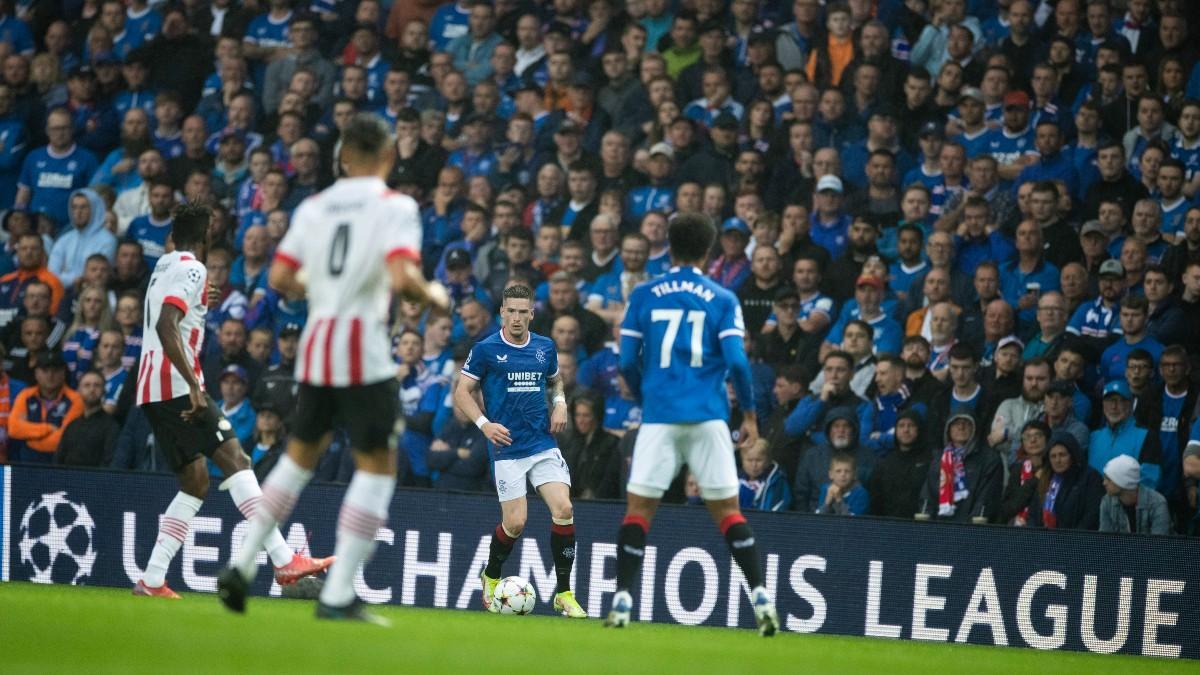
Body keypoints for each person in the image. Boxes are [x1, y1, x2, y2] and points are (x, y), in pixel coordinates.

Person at [219, 114, 446, 623]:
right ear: (388, 156)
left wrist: (324, 289)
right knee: (378, 466)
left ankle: (240, 565)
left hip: (317, 344)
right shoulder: (397, 206)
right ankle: (339, 593)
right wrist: (433, 294)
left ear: (343, 156)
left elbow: (279, 276)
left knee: (297, 461)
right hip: (362, 346)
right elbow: (402, 276)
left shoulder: (315, 206)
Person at [134, 202, 328, 600]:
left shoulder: (165, 265)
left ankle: (152, 580)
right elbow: (166, 324)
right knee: (236, 460)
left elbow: (173, 312)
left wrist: (203, 299)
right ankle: (283, 559)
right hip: (176, 385)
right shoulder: (193, 267)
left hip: (151, 388)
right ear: (207, 235)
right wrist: (192, 384)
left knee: (195, 482)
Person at [608, 212, 778, 635]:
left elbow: (627, 360)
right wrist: (751, 415)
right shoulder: (723, 298)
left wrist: (646, 392)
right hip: (708, 415)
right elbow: (738, 361)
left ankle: (623, 599)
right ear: (708, 250)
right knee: (728, 513)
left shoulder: (644, 295)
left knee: (639, 510)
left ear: (668, 244)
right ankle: (759, 597)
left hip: (661, 415)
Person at [452, 284, 585, 619]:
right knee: (515, 523)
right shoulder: (485, 349)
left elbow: (555, 381)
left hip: (541, 442)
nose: (516, 318)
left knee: (564, 507)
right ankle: (491, 574)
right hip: (507, 446)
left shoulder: (544, 347)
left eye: (522, 312)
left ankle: (564, 594)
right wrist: (485, 424)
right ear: (502, 313)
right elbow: (462, 392)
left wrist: (560, 403)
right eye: (510, 311)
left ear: (531, 314)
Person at [921, 413, 1003, 523]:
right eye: (956, 423)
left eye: (967, 423)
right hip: (939, 528)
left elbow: (986, 498)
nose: (961, 427)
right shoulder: (938, 459)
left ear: (974, 429)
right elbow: (928, 496)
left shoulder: (990, 459)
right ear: (948, 429)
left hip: (972, 531)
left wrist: (970, 529)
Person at [7, 351, 84, 462]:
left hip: (60, 461)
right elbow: (14, 429)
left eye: (55, 371)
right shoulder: (25, 395)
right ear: (36, 373)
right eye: (45, 370)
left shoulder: (75, 399)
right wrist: (47, 429)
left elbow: (65, 438)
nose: (50, 375)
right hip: (27, 461)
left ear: (63, 373)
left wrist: (29, 437)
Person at [1028, 432, 1104, 530]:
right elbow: (1033, 514)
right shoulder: (1046, 478)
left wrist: (1070, 541)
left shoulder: (1090, 478)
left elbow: (1092, 516)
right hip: (1043, 541)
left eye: (1062, 455)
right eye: (1053, 456)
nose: (1058, 460)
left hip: (1075, 541)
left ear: (1072, 455)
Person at [53, 370, 119, 466]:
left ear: (104, 390)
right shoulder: (72, 426)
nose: (92, 389)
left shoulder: (111, 427)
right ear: (79, 390)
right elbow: (58, 459)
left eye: (97, 385)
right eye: (87, 385)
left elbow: (109, 462)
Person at [1099, 455, 1170, 535]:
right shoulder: (1107, 502)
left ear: (1123, 482)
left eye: (1109, 479)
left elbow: (1159, 543)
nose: (1104, 483)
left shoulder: (1157, 503)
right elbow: (1105, 541)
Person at [737, 439, 792, 512]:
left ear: (767, 461)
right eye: (749, 460)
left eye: (759, 460)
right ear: (742, 461)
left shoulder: (776, 482)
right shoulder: (734, 481)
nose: (754, 465)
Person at [815, 451, 869, 516]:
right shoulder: (826, 489)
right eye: (838, 471)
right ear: (831, 474)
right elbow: (818, 519)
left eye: (847, 471)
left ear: (854, 475)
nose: (843, 474)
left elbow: (852, 523)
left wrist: (839, 501)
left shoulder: (861, 494)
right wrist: (827, 503)